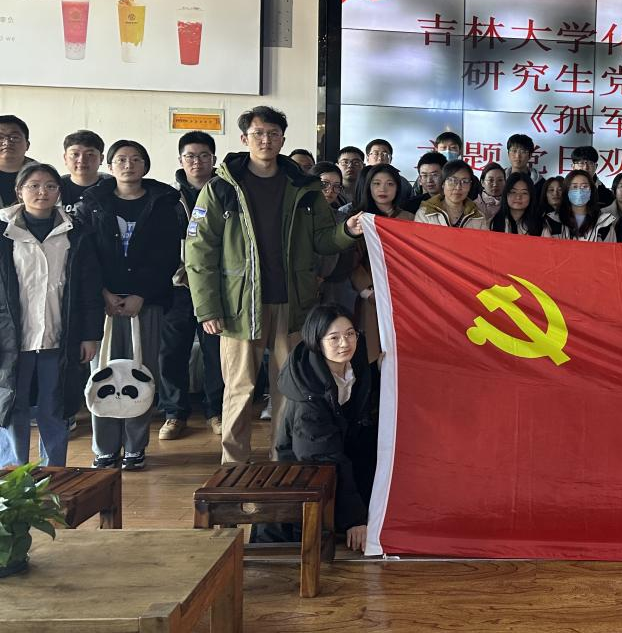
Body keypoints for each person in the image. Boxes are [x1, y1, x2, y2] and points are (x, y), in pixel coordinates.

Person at [186, 106, 365, 465]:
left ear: (283, 139)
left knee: (291, 388)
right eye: (258, 134)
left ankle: (284, 461)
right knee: (239, 388)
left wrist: (346, 231)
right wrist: (207, 308)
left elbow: (322, 240)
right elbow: (198, 251)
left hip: (294, 305)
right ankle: (233, 466)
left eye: (273, 134)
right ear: (244, 139)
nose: (265, 140)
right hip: (239, 307)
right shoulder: (221, 188)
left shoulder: (304, 186)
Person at [79, 141, 185, 470]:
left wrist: (141, 293)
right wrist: (103, 293)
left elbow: (168, 255)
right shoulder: (92, 203)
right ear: (109, 166)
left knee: (141, 372)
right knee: (103, 374)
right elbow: (85, 255)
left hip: (147, 303)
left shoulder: (164, 202)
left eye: (136, 159)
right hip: (103, 304)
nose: (128, 165)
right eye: (121, 159)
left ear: (146, 165)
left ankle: (136, 448)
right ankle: (105, 449)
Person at [0, 163, 103, 467]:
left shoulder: (76, 232)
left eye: (50, 186)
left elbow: (88, 289)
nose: (42, 192)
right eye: (33, 185)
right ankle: (13, 475)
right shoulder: (4, 233)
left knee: (54, 407)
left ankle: (55, 472)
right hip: (12, 338)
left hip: (58, 334)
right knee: (12, 406)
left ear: (59, 192)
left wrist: (90, 335)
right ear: (19, 191)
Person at [275, 304, 378, 552]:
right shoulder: (307, 392)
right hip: (306, 469)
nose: (345, 343)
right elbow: (323, 457)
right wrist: (354, 518)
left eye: (350, 334)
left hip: (341, 453)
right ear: (317, 342)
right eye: (334, 338)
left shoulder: (356, 365)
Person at [157, 131, 225, 440]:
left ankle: (216, 411)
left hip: (215, 287)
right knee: (172, 352)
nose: (197, 162)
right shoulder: (168, 197)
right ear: (180, 160)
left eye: (203, 156)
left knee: (216, 353)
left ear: (214, 159)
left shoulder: (226, 193)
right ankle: (174, 413)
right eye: (190, 156)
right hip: (178, 288)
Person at [348, 164, 412, 363]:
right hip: (372, 294)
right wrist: (367, 291)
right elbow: (352, 260)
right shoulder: (361, 219)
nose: (383, 189)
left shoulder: (409, 219)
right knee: (372, 349)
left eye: (390, 184)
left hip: (403, 294)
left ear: (398, 188)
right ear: (368, 187)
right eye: (376, 184)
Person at [543, 169, 616, 242]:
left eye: (584, 186)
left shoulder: (604, 223)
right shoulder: (553, 221)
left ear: (591, 191)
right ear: (566, 191)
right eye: (574, 187)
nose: (579, 191)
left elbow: (611, 248)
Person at [414, 160, 488, 230]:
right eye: (452, 180)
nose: (458, 187)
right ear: (443, 184)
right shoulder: (425, 213)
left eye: (465, 181)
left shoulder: (478, 217)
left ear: (470, 186)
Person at [59, 129, 109, 212]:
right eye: (75, 154)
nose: (82, 160)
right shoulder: (55, 188)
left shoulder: (113, 188)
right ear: (65, 158)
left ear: (101, 158)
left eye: (89, 154)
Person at [0, 115, 32, 207]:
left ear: (27, 145)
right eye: (0, 137)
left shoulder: (44, 175)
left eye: (14, 137)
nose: (7, 143)